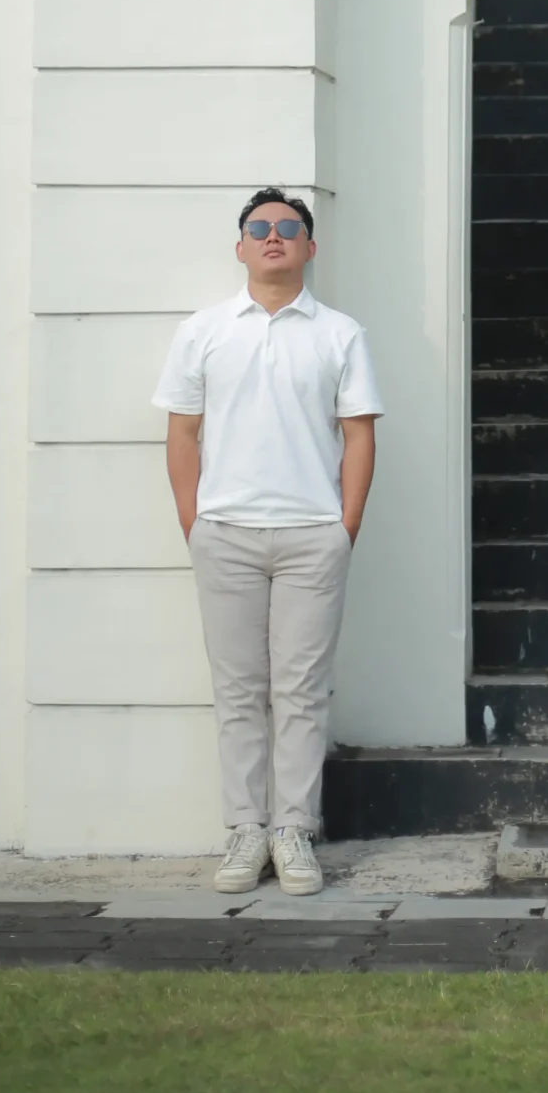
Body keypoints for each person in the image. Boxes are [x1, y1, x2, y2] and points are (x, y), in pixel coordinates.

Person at [153, 187, 382, 897]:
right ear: (241, 247)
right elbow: (182, 434)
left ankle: (293, 831)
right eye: (260, 229)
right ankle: (246, 830)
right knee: (238, 690)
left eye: (288, 227)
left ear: (310, 247)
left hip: (313, 537)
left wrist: (344, 529)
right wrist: (195, 524)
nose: (274, 236)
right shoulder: (203, 331)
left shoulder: (339, 334)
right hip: (225, 536)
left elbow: (359, 435)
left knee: (301, 690)